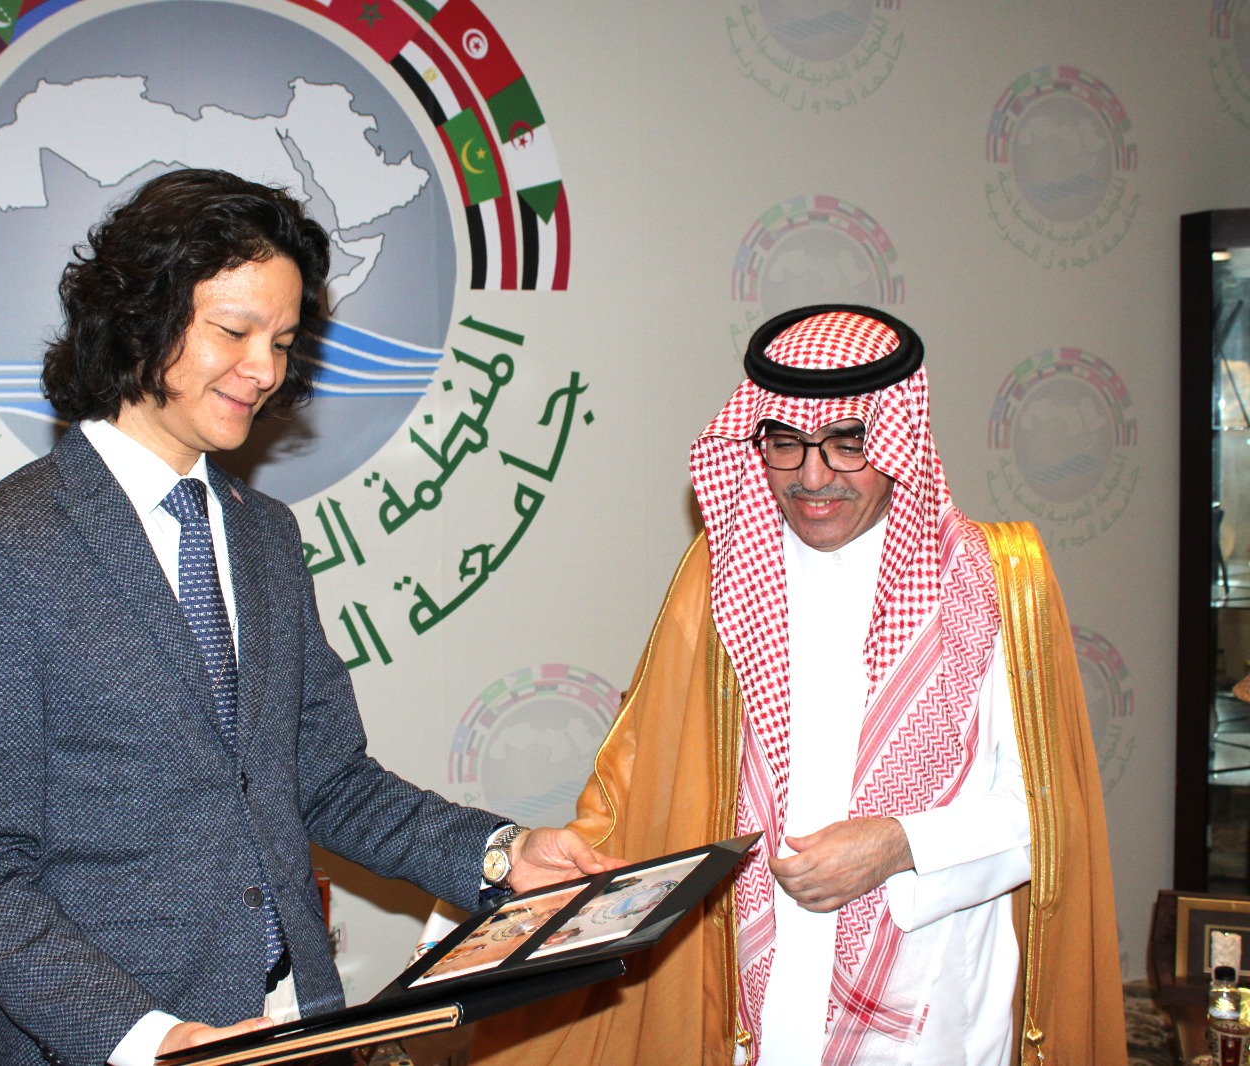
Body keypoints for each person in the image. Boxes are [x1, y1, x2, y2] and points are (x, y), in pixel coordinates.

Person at [0, 168, 614, 1066]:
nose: (266, 370)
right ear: (138, 319)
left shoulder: (264, 533)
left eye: (281, 340)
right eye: (234, 332)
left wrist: (501, 856)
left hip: (295, 1026)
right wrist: (153, 1040)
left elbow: (326, 779)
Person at [471, 305, 1125, 1064]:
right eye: (785, 443)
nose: (813, 478)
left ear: (900, 437)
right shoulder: (721, 575)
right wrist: (511, 896)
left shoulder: (994, 581)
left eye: (849, 444)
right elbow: (640, 784)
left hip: (929, 1019)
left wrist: (900, 845)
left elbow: (1044, 813)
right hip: (752, 1005)